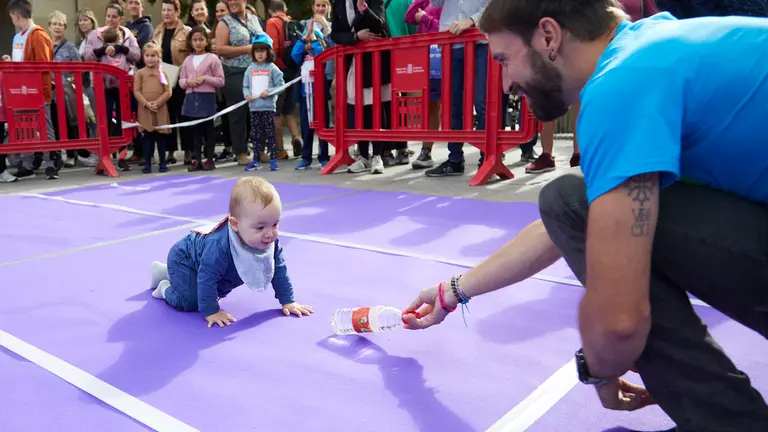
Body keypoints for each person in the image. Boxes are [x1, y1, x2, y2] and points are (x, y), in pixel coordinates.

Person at [403, 2, 768, 431]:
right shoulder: (656, 49)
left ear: (548, 36)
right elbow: (575, 223)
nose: (505, 84)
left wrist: (600, 365)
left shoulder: (622, 83)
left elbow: (618, 320)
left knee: (567, 199)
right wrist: (451, 291)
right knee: (575, 202)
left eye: (503, 60)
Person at [148, 177, 314, 328]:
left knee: (220, 288)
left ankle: (165, 271)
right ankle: (165, 287)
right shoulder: (219, 246)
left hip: (203, 263)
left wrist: (288, 301)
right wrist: (212, 311)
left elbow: (278, 270)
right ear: (235, 224)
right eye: (260, 227)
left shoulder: (269, 242)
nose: (270, 233)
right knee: (190, 302)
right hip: (184, 258)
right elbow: (207, 278)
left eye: (275, 224)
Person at [4, 0, 59, 181]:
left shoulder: (38, 35)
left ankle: (50, 163)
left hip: (37, 90)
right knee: (23, 128)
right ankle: (27, 165)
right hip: (21, 91)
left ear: (16, 15)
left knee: (44, 126)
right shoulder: (18, 37)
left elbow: (44, 65)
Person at [178, 26, 225, 171]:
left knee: (209, 131)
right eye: (194, 40)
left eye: (201, 39)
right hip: (191, 98)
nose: (198, 43)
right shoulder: (188, 59)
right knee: (195, 132)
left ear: (206, 41)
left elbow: (220, 80)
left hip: (206, 98)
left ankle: (209, 159)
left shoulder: (213, 59)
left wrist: (205, 78)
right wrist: (188, 82)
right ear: (190, 42)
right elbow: (181, 81)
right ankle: (196, 159)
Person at [242, 33, 285, 172]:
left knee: (270, 134)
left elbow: (281, 85)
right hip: (254, 108)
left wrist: (269, 91)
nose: (260, 54)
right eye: (257, 51)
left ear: (268, 52)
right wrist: (247, 95)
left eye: (263, 50)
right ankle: (256, 160)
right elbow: (245, 86)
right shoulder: (250, 69)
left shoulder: (272, 68)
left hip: (268, 107)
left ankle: (273, 159)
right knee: (256, 135)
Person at [133, 41, 172, 173]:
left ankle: (162, 163)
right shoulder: (140, 73)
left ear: (158, 56)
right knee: (148, 138)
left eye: (153, 55)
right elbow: (136, 91)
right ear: (143, 57)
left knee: (161, 137)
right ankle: (148, 164)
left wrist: (158, 102)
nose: (150, 58)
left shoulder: (163, 73)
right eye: (147, 55)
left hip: (160, 109)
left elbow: (168, 91)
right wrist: (146, 103)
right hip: (145, 110)